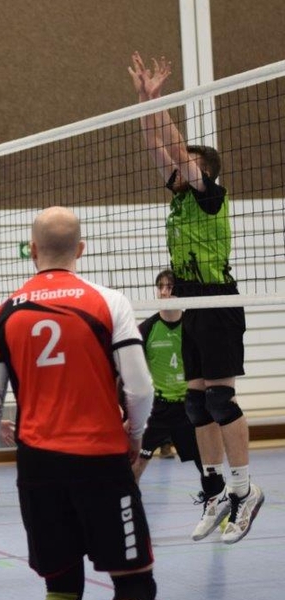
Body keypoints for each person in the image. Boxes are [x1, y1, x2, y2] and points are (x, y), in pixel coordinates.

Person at [0, 207, 157, 600]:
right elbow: (140, 388)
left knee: (61, 585)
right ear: (81, 249)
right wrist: (135, 435)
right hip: (101, 459)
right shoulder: (110, 302)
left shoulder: (2, 314)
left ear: (32, 249)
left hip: (39, 466)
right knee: (135, 582)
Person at [130, 51, 263, 543]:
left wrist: (160, 100)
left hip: (218, 301)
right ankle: (216, 491)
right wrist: (144, 102)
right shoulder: (181, 197)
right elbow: (155, 144)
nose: (177, 166)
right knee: (195, 404)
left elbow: (175, 147)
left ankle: (245, 489)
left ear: (204, 171)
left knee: (220, 398)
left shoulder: (210, 196)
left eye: (188, 163)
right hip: (193, 306)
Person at [130, 269, 203, 485]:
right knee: (136, 465)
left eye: (169, 287)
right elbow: (132, 373)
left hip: (188, 409)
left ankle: (215, 500)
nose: (164, 292)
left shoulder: (193, 327)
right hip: (156, 410)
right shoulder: (146, 329)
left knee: (207, 463)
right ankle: (131, 503)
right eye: (160, 287)